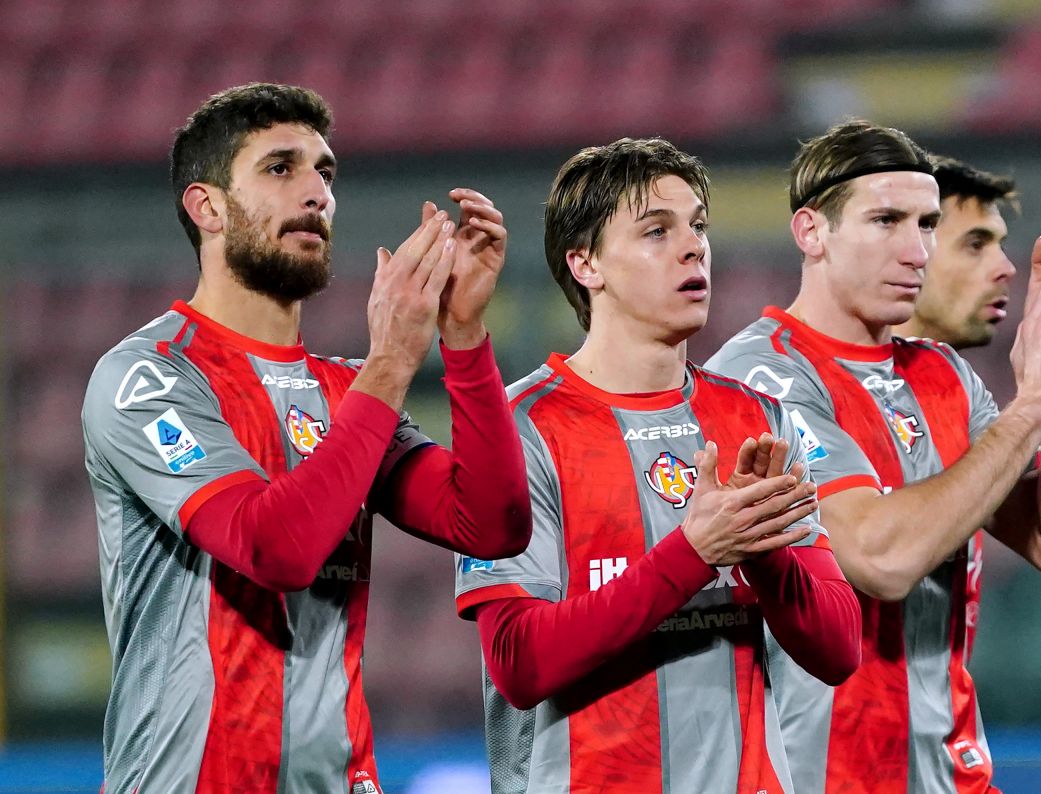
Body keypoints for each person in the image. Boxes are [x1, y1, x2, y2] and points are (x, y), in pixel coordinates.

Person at [81, 83, 531, 794]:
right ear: (208, 208)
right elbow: (275, 548)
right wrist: (390, 362)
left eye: (325, 172)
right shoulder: (148, 377)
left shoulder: (346, 391)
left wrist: (465, 337)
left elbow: (492, 524)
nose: (316, 192)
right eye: (281, 168)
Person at [706, 120, 1041, 793]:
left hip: (949, 774)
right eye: (886, 220)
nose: (915, 249)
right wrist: (1031, 405)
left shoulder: (944, 377)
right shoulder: (758, 378)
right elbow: (879, 559)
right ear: (812, 232)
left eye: (925, 224)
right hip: (811, 778)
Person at [453, 138, 862, 794]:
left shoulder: (759, 419)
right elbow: (519, 662)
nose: (694, 246)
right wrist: (696, 552)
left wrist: (761, 553)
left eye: (698, 226)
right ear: (586, 263)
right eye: (656, 231)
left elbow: (839, 649)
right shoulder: (516, 429)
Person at [895, 156, 1019, 349]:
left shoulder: (961, 378)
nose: (1007, 269)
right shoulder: (835, 377)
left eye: (1001, 247)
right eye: (975, 245)